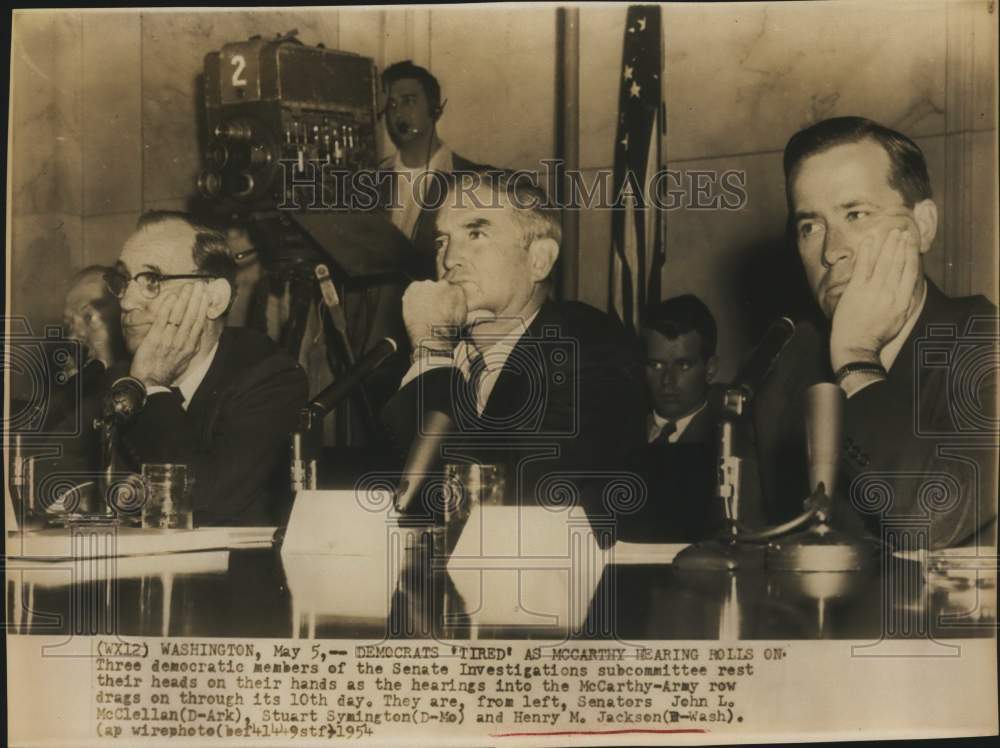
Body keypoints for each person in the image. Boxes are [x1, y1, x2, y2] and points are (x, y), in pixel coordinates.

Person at [755, 116, 997, 549]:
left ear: (923, 226)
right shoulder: (789, 370)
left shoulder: (985, 344)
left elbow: (928, 518)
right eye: (809, 226)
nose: (831, 252)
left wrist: (856, 359)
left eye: (856, 213)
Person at [381, 172, 646, 536]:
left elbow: (506, 511)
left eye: (476, 233)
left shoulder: (589, 349)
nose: (449, 259)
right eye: (442, 241)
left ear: (539, 259)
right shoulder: (431, 363)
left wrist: (432, 352)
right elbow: (395, 506)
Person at [106, 211, 309, 526]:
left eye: (152, 280)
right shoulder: (115, 378)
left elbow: (202, 502)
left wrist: (152, 384)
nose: (126, 301)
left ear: (214, 299)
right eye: (122, 281)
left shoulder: (272, 379)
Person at [623, 295, 726, 542]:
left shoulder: (732, 437)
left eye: (684, 365)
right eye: (656, 366)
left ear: (710, 369)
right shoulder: (619, 430)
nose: (668, 381)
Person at [379, 60, 483, 275]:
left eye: (409, 101)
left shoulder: (471, 179)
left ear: (434, 108)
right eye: (392, 105)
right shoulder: (372, 179)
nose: (398, 114)